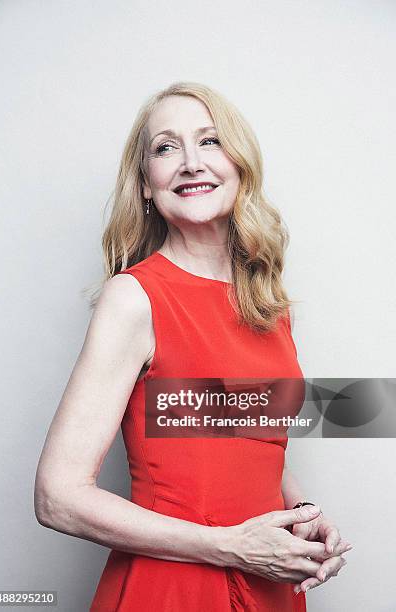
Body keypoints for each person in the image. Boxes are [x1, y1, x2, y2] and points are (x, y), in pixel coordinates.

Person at [34, 82, 352, 611]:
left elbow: (247, 443)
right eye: (165, 147)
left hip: (270, 587)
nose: (189, 163)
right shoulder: (133, 298)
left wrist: (303, 513)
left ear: (239, 163)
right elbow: (56, 496)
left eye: (209, 142)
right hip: (172, 590)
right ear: (144, 184)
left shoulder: (268, 305)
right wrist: (229, 547)